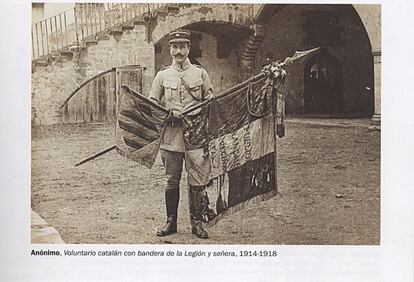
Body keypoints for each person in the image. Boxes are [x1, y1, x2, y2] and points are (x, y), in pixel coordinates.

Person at [148, 30, 213, 239]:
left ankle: (197, 224)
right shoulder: (162, 75)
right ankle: (171, 222)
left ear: (189, 48)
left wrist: (199, 113)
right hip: (171, 138)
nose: (179, 51)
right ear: (170, 49)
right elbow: (152, 104)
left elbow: (209, 100)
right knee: (172, 181)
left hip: (196, 137)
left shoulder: (200, 74)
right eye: (174, 47)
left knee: (197, 181)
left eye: (183, 46)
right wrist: (168, 115)